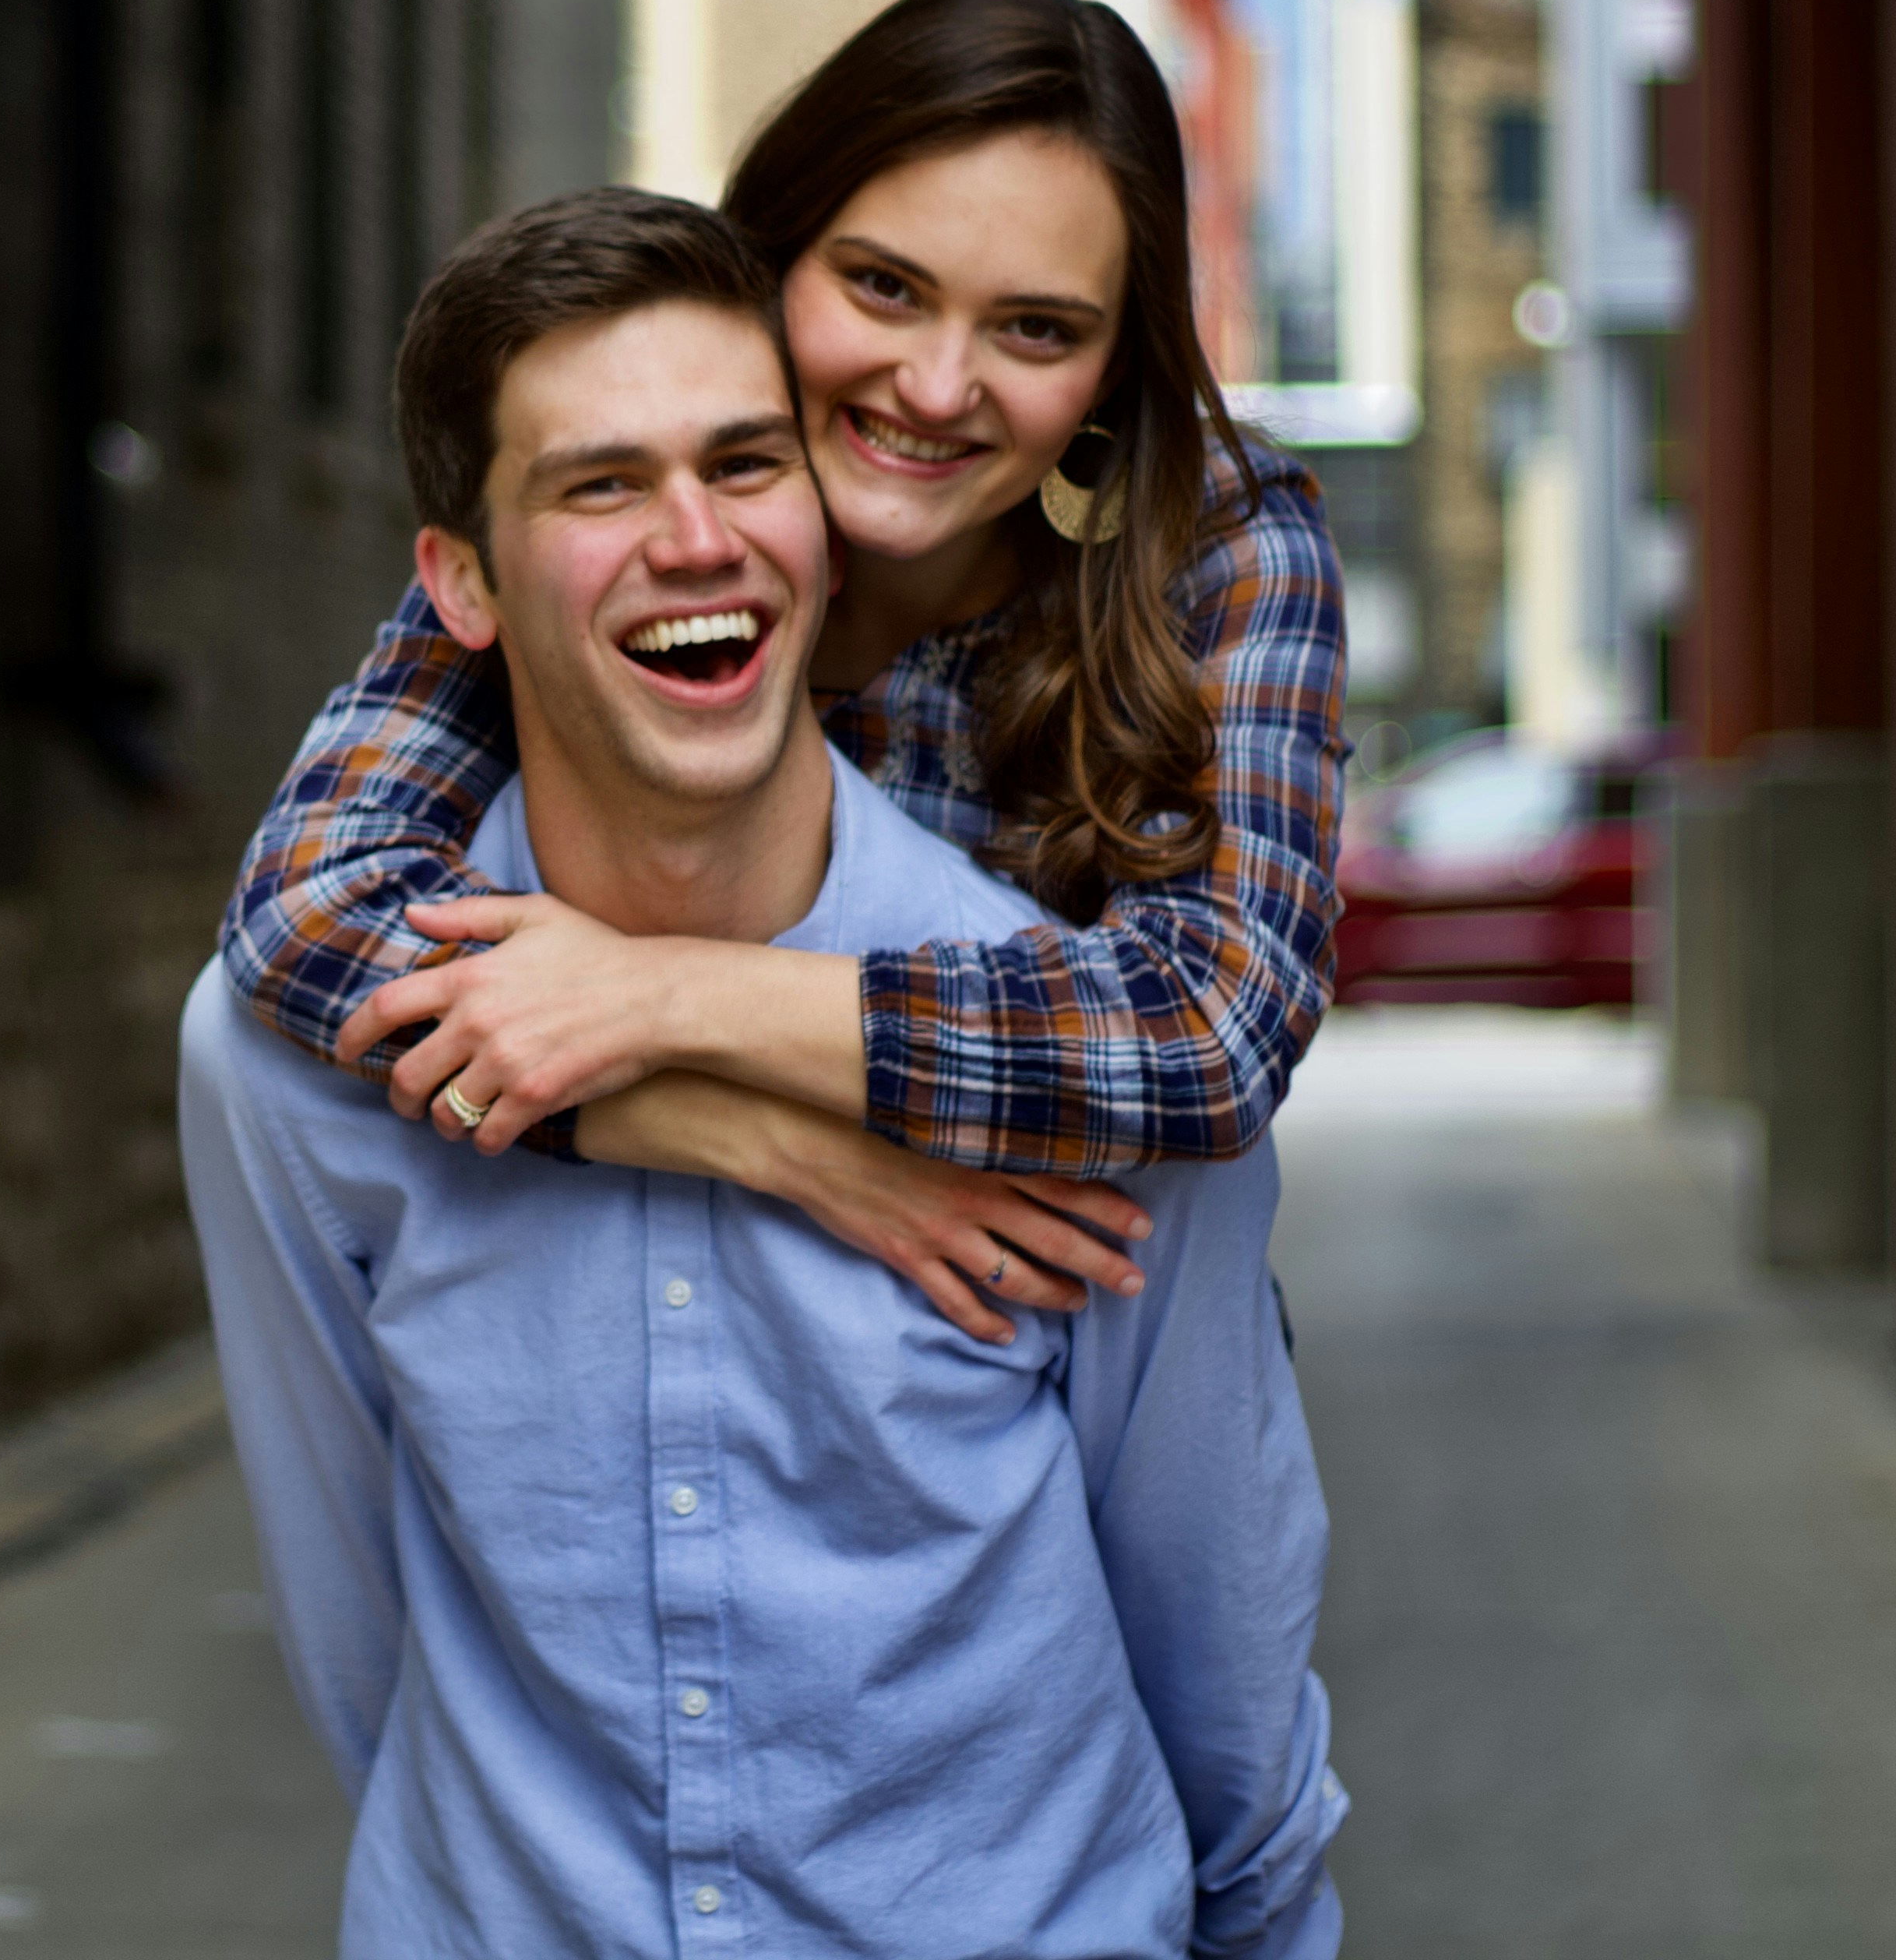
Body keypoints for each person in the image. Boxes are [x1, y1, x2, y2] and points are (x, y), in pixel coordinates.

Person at [179, 188, 1343, 1957]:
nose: (695, 539)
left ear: (827, 521)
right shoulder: (305, 1071)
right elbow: (357, 1629)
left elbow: (1223, 1659)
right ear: (461, 584)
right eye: (600, 486)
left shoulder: (1093, 1072)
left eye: (744, 464)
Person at [221, 0, 1345, 1324]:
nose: (936, 388)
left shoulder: (1211, 541)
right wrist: (772, 1143)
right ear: (775, 261)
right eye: (884, 287)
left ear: (1112, 368)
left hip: (1051, 1324)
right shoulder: (630, 526)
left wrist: (658, 999)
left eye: (1036, 328)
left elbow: (1211, 1029)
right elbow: (309, 908)